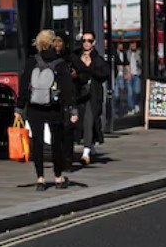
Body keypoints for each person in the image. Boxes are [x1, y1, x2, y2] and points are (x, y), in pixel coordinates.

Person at [19, 30, 78, 191]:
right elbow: (67, 89)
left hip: (34, 107)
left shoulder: (32, 61)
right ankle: (58, 177)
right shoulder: (60, 63)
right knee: (56, 142)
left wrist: (19, 107)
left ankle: (40, 179)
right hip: (54, 107)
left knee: (36, 142)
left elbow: (24, 85)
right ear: (52, 43)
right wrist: (73, 110)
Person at [70, 32, 110, 165]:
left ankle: (86, 151)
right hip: (78, 93)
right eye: (84, 40)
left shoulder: (97, 58)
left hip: (93, 94)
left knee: (89, 118)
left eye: (89, 40)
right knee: (80, 121)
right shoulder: (75, 56)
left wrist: (89, 67)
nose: (86, 43)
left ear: (93, 42)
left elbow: (104, 74)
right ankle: (90, 144)